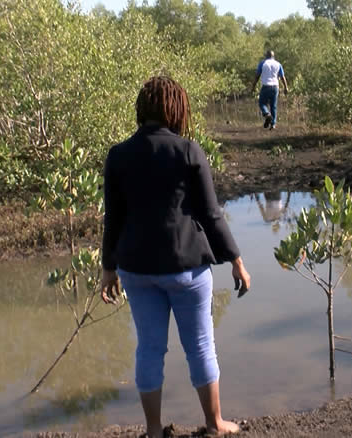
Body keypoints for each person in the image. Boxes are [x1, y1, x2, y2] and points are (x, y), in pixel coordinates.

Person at [100, 76, 251, 437]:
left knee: (149, 349)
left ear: (142, 109)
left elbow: (113, 217)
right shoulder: (188, 151)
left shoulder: (118, 155)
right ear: (176, 109)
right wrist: (236, 260)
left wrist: (108, 269)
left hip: (135, 269)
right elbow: (211, 214)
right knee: (200, 346)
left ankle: (153, 430)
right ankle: (214, 423)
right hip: (186, 268)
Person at [250, 50, 289, 130]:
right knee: (273, 106)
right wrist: (286, 87)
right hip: (275, 87)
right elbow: (282, 77)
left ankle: (267, 114)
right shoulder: (278, 64)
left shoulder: (263, 63)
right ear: (273, 56)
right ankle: (273, 124)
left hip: (266, 86)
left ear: (266, 56)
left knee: (262, 103)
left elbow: (257, 75)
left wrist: (253, 86)